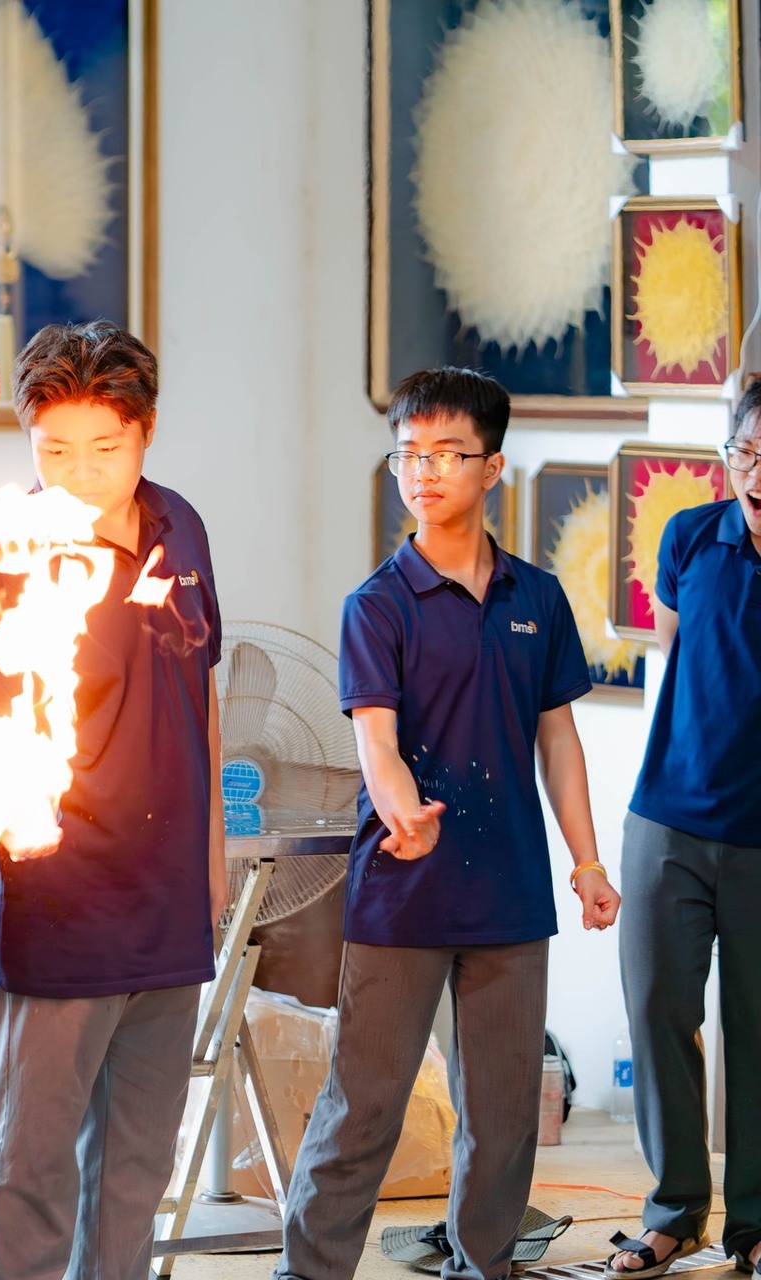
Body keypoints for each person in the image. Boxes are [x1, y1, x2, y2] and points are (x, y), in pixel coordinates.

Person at [274, 366, 621, 1280]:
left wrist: (587, 862)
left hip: (512, 894)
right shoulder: (377, 604)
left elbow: (559, 741)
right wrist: (403, 812)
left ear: (492, 467)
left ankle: (483, 1267)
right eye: (409, 454)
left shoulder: (537, 599)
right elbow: (375, 742)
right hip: (402, 894)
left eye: (446, 454)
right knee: (364, 1109)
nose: (423, 472)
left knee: (503, 1119)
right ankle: (307, 1272)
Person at [0, 322, 226, 1280]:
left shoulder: (181, 527)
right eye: (54, 451)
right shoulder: (4, 557)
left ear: (147, 431)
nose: (79, 474)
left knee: (136, 1168)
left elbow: (201, 697)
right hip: (55, 904)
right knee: (31, 1165)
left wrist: (210, 862)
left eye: (105, 448)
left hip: (167, 901)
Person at [607, 389, 761, 1278]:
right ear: (728, 455)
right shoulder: (690, 538)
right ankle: (675, 1213)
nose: (757, 475)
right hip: (667, 817)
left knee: (758, 1030)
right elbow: (675, 652)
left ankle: (756, 1223)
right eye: (747, 454)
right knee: (658, 1011)